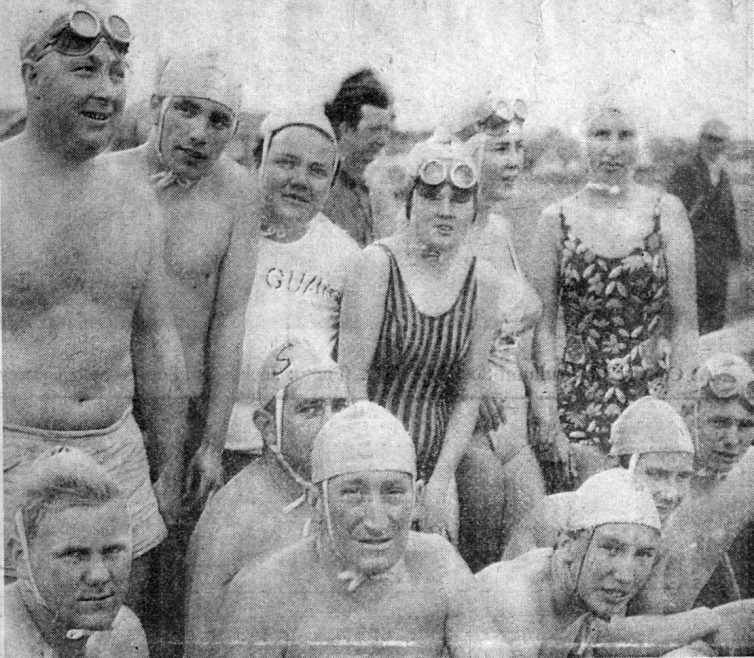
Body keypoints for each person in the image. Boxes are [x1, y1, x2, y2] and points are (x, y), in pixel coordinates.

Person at [1, 0, 186, 608]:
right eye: (84, 69)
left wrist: (170, 461)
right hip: (11, 449)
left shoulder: (135, 199)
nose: (106, 89)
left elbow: (157, 339)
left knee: (112, 631)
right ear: (31, 76)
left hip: (115, 450)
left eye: (116, 73)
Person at [216, 401, 505, 657]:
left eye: (393, 493)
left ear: (417, 500)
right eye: (353, 493)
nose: (376, 522)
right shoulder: (265, 593)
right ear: (317, 503)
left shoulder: (438, 566)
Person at [112, 48, 259, 507]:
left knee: (176, 562)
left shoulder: (237, 193)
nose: (198, 134)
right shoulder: (109, 179)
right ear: (157, 107)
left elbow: (230, 321)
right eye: (186, 110)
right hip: (113, 408)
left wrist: (213, 444)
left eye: (218, 121)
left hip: (190, 410)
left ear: (233, 133)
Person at [339, 128, 501, 541]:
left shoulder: (482, 280)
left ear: (474, 208)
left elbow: (468, 395)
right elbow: (352, 381)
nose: (445, 210)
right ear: (409, 200)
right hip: (369, 454)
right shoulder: (376, 265)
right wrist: (385, 473)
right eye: (431, 196)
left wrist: (440, 483)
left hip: (439, 460)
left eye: (459, 199)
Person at [529, 99, 699, 488]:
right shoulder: (555, 221)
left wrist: (670, 415)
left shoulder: (666, 211)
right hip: (578, 399)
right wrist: (549, 417)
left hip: (651, 395)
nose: (613, 148)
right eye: (600, 134)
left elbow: (687, 325)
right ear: (582, 142)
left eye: (625, 135)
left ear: (640, 143)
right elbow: (542, 332)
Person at [184, 337, 348, 657]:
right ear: (266, 426)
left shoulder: (348, 493)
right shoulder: (234, 521)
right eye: (310, 409)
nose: (331, 425)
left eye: (339, 406)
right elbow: (200, 646)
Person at [225, 106, 359, 473]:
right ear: (259, 163)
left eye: (317, 171)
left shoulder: (347, 256)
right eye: (286, 163)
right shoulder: (224, 231)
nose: (299, 180)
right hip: (220, 439)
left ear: (332, 182)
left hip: (304, 452)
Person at [478, 468, 734, 657]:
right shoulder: (518, 602)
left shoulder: (571, 590)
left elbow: (612, 638)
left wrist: (706, 620)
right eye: (611, 549)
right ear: (568, 545)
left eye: (643, 555)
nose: (626, 576)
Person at [452, 93, 547, 571]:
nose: (514, 162)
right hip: (472, 425)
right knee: (480, 564)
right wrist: (473, 379)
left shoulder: (501, 229)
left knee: (535, 550)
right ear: (469, 154)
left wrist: (540, 399)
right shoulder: (448, 228)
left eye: (517, 148)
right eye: (499, 149)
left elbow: (525, 318)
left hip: (515, 418)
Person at [504, 396, 696, 559]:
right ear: (615, 467)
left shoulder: (675, 535)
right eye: (657, 475)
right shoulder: (556, 517)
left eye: (682, 477)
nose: (671, 493)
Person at [5, 447, 148, 657]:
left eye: (112, 551)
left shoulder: (123, 633)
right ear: (21, 558)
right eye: (75, 555)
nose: (99, 576)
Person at [659, 353, 754, 612]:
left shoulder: (748, 473)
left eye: (745, 426)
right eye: (720, 422)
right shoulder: (656, 474)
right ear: (690, 414)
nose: (732, 440)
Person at [667, 120, 740, 335]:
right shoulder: (686, 171)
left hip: (716, 259)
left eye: (720, 141)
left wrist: (735, 253)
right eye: (710, 139)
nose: (715, 145)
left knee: (715, 316)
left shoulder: (723, 176)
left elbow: (729, 215)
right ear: (701, 140)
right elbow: (672, 213)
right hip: (691, 254)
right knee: (689, 316)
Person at [323, 68, 395, 247]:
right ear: (345, 129)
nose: (382, 140)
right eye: (374, 130)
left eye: (386, 130)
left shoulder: (373, 187)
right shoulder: (323, 188)